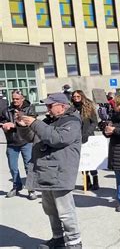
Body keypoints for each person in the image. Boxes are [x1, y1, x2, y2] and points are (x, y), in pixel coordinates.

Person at [23, 93, 82, 248]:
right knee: (50, 209)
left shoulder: (72, 121)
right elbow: (31, 137)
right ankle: (58, 238)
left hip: (60, 173)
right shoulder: (49, 121)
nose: (47, 109)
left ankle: (74, 242)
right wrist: (22, 125)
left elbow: (57, 139)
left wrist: (35, 123)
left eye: (50, 105)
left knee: (65, 211)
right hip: (46, 171)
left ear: (62, 106)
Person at [1, 90, 37, 200]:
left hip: (26, 141)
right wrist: (4, 125)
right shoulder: (7, 110)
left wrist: (14, 125)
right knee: (13, 167)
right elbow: (2, 121)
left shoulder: (29, 108)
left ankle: (31, 189)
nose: (15, 101)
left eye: (17, 99)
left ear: (22, 98)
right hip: (12, 142)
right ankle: (16, 186)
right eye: (13, 99)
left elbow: (31, 122)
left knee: (28, 165)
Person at [71, 90, 99, 190]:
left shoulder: (88, 106)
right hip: (76, 137)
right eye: (74, 96)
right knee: (82, 160)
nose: (76, 98)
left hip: (88, 136)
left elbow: (94, 122)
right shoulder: (71, 108)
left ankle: (95, 178)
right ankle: (86, 181)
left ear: (82, 96)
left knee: (90, 160)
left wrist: (87, 133)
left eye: (78, 96)